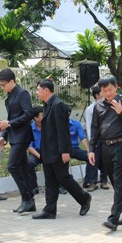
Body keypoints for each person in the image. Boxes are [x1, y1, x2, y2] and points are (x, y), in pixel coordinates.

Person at [32, 79, 91, 219]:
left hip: (58, 151)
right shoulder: (47, 105)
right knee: (50, 180)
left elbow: (63, 130)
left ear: (47, 90)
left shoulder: (58, 105)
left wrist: (65, 151)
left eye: (39, 90)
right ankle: (49, 210)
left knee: (63, 178)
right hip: (47, 151)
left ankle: (84, 198)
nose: (37, 92)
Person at [88, 76, 122, 231]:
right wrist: (91, 149)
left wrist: (121, 112)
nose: (107, 93)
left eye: (110, 89)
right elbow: (95, 129)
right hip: (105, 148)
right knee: (118, 183)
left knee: (119, 183)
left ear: (116, 87)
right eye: (104, 90)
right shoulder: (98, 106)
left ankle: (113, 219)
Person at [0, 68, 36, 214]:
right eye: (0, 85)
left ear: (12, 81)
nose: (2, 87)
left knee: (12, 166)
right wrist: (3, 135)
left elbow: (28, 114)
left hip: (22, 136)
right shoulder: (9, 96)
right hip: (14, 136)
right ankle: (30, 200)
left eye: (3, 84)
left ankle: (27, 198)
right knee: (23, 167)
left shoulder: (22, 93)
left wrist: (9, 124)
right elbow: (10, 117)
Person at [68, 109, 98, 192]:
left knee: (91, 157)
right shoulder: (57, 125)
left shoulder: (75, 124)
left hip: (74, 149)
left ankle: (89, 182)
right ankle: (62, 185)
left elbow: (83, 137)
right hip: (62, 150)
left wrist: (89, 151)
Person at [84, 86, 108, 190]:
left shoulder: (107, 105)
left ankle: (104, 181)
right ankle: (92, 182)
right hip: (96, 138)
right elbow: (89, 125)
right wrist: (91, 141)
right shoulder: (90, 109)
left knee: (105, 160)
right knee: (94, 160)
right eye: (102, 92)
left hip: (106, 136)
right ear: (97, 95)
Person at [27, 106, 44, 194]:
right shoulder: (29, 128)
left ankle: (59, 186)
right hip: (35, 152)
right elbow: (29, 146)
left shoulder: (49, 126)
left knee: (57, 160)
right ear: (36, 118)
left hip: (48, 151)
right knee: (29, 162)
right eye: (42, 115)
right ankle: (33, 187)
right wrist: (39, 156)